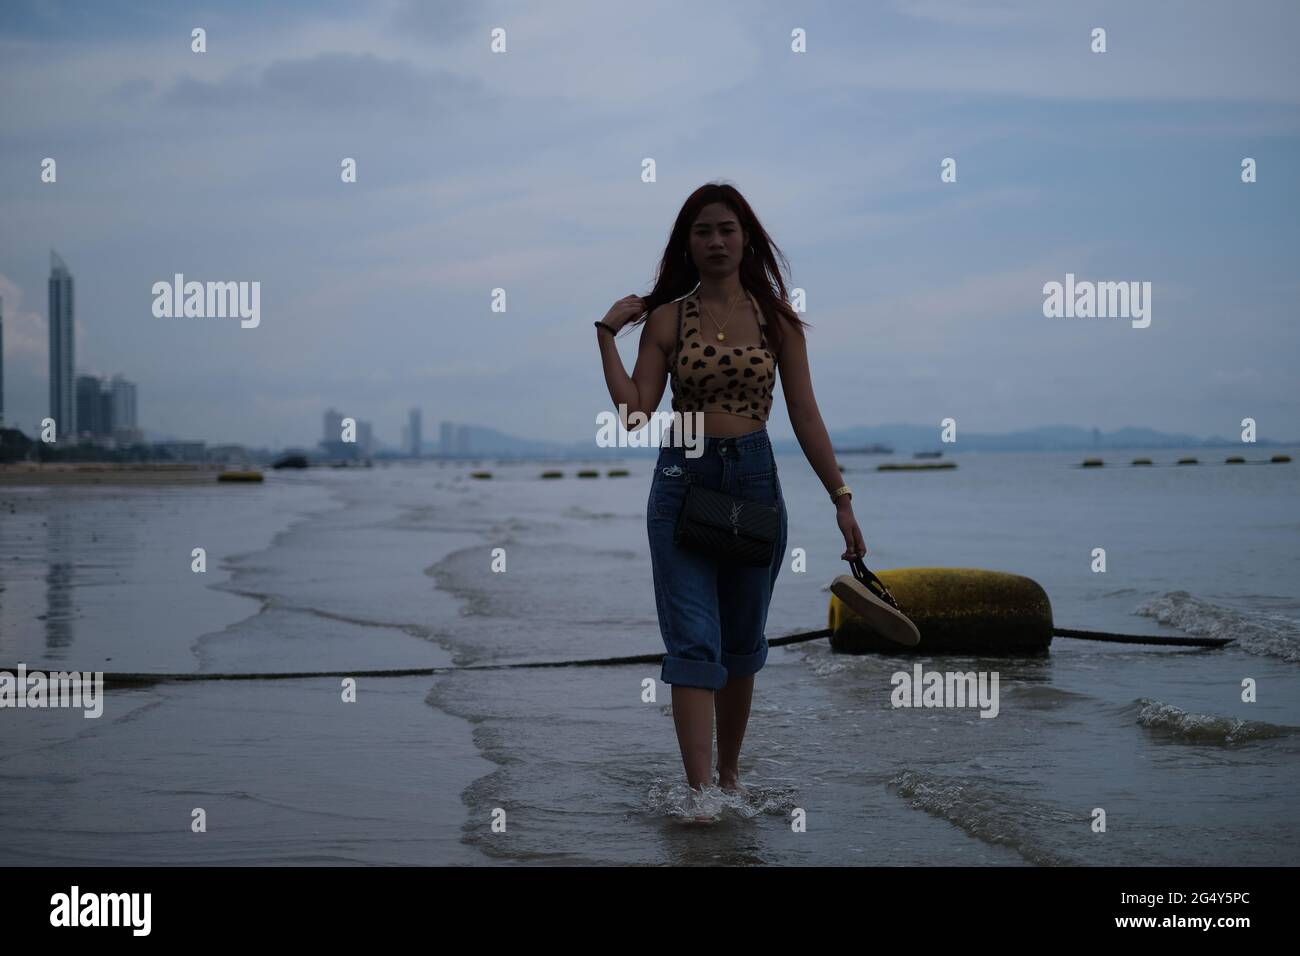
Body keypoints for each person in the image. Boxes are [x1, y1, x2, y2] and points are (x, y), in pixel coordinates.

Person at [594, 182, 866, 805]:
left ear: (746, 239)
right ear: (686, 245)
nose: (715, 241)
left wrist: (841, 498)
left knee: (741, 642)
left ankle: (728, 779)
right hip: (681, 479)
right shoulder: (666, 319)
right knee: (693, 639)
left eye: (726, 229)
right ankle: (698, 800)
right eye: (702, 232)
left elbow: (805, 415)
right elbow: (636, 415)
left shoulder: (777, 320)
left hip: (753, 479)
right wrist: (606, 336)